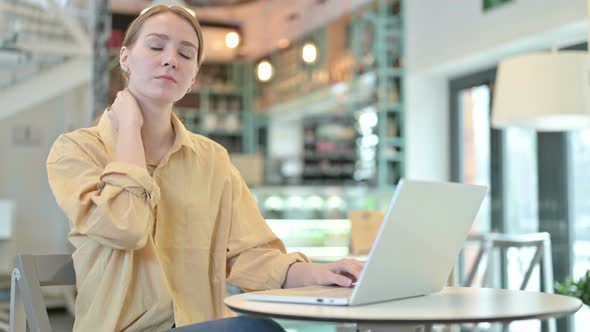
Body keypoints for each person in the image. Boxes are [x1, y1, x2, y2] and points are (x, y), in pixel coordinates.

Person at [46, 5, 363, 332]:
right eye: (156, 47)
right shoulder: (76, 150)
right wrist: (129, 127)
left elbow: (250, 256)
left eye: (186, 54)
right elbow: (125, 228)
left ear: (194, 76)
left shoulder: (212, 160)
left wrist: (323, 273)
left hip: (201, 325)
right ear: (125, 58)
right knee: (254, 330)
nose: (171, 59)